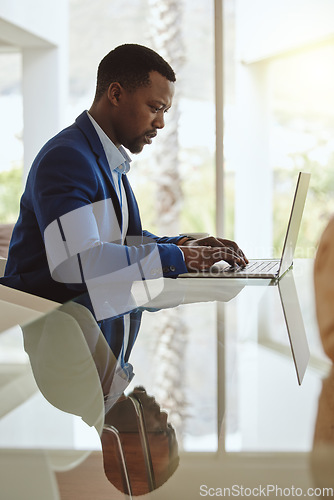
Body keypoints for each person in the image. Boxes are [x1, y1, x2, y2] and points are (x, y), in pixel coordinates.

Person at [0, 43, 248, 304]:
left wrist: (185, 244)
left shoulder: (106, 157)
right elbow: (79, 264)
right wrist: (181, 257)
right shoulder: (67, 158)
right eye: (154, 107)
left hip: (96, 313)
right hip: (56, 322)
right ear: (116, 95)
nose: (161, 123)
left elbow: (124, 240)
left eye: (165, 111)